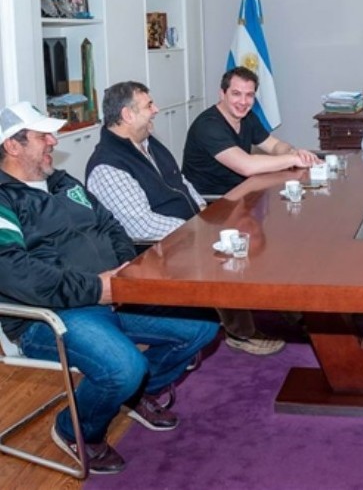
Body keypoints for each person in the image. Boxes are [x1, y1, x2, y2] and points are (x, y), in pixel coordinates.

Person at [0, 101, 218, 475]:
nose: (54, 141)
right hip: (50, 314)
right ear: (13, 146)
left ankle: (135, 394)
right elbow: (15, 273)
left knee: (203, 326)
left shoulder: (64, 183)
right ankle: (75, 430)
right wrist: (94, 289)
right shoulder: (5, 199)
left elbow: (112, 226)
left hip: (112, 291)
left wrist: (123, 272)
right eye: (42, 136)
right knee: (123, 367)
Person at [85, 81, 285, 357]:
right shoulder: (108, 165)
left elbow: (181, 181)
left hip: (189, 231)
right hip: (156, 251)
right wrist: (200, 230)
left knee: (249, 236)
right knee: (233, 250)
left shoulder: (146, 142)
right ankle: (242, 332)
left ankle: (278, 308)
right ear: (127, 115)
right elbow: (140, 226)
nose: (156, 110)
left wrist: (205, 213)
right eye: (148, 106)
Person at [182, 67, 320, 196]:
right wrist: (293, 159)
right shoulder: (208, 126)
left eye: (249, 95)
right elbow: (247, 166)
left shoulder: (247, 117)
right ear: (222, 94)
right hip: (211, 203)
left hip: (240, 193)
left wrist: (294, 153)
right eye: (236, 94)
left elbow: (274, 145)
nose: (243, 102)